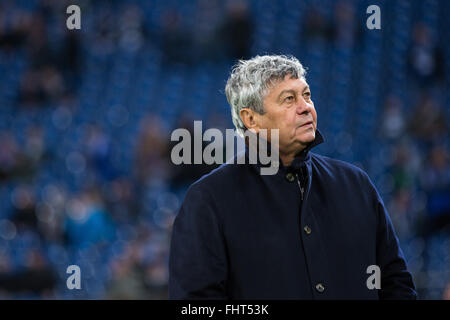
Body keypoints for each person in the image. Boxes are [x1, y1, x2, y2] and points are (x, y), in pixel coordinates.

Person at [168, 55, 417, 299]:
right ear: (251, 119)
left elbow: (396, 283)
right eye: (289, 99)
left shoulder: (356, 184)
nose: (305, 107)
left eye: (306, 95)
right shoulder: (209, 199)